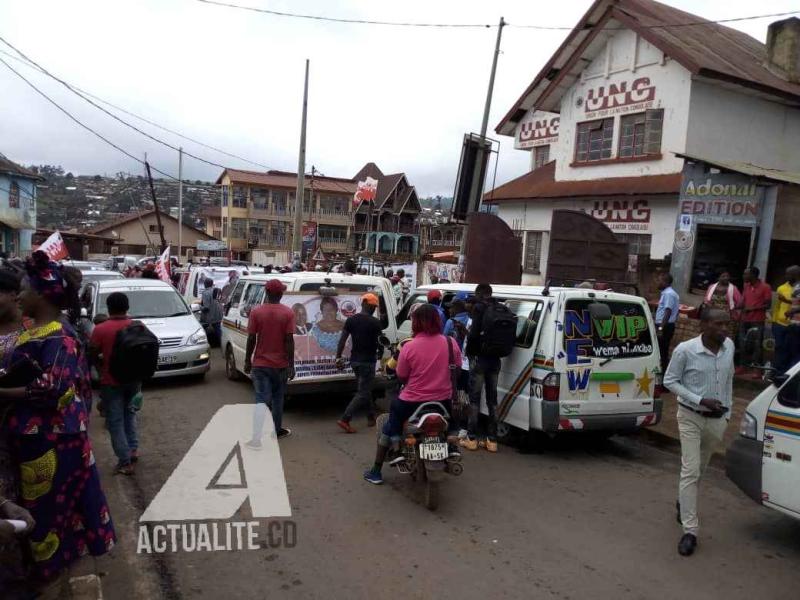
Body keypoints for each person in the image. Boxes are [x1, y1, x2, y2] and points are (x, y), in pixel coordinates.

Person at [0, 251, 115, 584]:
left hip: (53, 438)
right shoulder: (32, 332)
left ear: (42, 294)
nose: (20, 295)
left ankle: (50, 571)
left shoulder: (59, 336)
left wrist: (5, 392)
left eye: (25, 289)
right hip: (34, 437)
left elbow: (54, 388)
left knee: (48, 508)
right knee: (39, 505)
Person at [363, 304, 461, 485]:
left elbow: (401, 375)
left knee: (391, 420)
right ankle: (452, 442)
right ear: (438, 321)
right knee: (452, 420)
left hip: (411, 403)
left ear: (415, 323)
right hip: (444, 400)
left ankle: (381, 464)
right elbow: (458, 369)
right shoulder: (450, 342)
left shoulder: (409, 346)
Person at [664, 308, 734, 557]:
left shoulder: (730, 348)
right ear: (703, 325)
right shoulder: (686, 350)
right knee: (691, 470)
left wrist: (728, 413)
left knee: (700, 470)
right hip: (690, 417)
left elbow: (729, 380)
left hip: (717, 421)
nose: (725, 329)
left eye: (727, 324)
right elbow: (669, 381)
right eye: (719, 324)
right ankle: (690, 530)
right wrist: (699, 400)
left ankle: (684, 501)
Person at [0, 268, 36, 597]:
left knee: (29, 499)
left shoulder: (33, 332)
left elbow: (51, 387)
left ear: (13, 295)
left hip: (28, 430)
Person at [89, 292, 141, 476]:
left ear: (109, 308)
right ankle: (133, 450)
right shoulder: (137, 325)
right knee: (130, 413)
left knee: (115, 421)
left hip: (111, 381)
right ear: (127, 307)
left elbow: (92, 353)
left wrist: (101, 367)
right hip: (133, 380)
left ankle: (125, 461)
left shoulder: (101, 329)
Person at [244, 279, 295, 443]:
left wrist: (247, 360)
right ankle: (277, 430)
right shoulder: (288, 313)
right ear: (280, 294)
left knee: (261, 400)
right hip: (280, 365)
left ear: (266, 293)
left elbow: (251, 338)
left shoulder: (256, 312)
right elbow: (289, 340)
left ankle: (256, 437)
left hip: (260, 364)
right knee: (278, 399)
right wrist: (291, 365)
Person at [461, 283, 500, 453]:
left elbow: (474, 334)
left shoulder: (479, 308)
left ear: (479, 294)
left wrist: (465, 334)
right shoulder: (499, 307)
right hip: (495, 360)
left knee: (475, 399)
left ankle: (471, 438)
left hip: (479, 359)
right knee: (492, 400)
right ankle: (492, 441)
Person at [335, 293, 383, 433]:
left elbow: (342, 340)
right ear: (369, 305)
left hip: (355, 361)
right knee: (363, 391)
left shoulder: (351, 320)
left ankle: (370, 417)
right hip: (368, 361)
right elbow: (380, 342)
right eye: (374, 306)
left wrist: (338, 357)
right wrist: (380, 352)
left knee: (365, 389)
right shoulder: (375, 323)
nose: (374, 309)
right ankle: (345, 419)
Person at [444, 293, 472, 438]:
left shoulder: (451, 322)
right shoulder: (471, 319)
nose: (449, 311)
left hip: (456, 365)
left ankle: (456, 426)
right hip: (469, 364)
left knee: (455, 395)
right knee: (466, 396)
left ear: (456, 307)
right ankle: (466, 427)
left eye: (451, 308)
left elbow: (443, 342)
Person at [737, 266, 772, 379]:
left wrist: (752, 309)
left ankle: (757, 370)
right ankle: (743, 366)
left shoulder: (765, 287)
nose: (743, 276)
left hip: (757, 321)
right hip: (744, 320)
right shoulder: (747, 286)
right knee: (743, 344)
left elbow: (768, 305)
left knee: (757, 345)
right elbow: (743, 301)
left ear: (753, 275)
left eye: (746, 274)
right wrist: (738, 306)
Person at [772, 266, 799, 374]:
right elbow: (778, 306)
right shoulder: (782, 288)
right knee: (782, 349)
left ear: (794, 275)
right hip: (783, 324)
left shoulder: (798, 287)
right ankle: (779, 372)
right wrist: (774, 321)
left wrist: (792, 311)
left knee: (793, 352)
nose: (786, 276)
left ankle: (790, 376)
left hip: (795, 325)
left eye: (788, 274)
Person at [655, 273, 680, 373]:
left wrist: (661, 328)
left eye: (660, 280)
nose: (658, 282)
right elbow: (676, 311)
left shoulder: (668, 294)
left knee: (662, 352)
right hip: (666, 325)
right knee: (662, 351)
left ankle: (662, 375)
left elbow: (668, 311)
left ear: (665, 282)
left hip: (664, 326)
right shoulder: (669, 293)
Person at [200, 278, 223, 345]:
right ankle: (221, 343)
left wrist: (200, 307)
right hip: (219, 314)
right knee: (218, 329)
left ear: (205, 284)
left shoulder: (205, 293)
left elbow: (206, 307)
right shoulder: (217, 290)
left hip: (210, 316)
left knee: (203, 328)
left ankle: (207, 343)